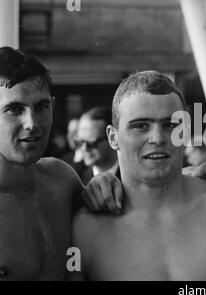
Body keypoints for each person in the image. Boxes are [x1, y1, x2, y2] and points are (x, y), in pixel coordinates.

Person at [69, 71, 206, 280]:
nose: (157, 138)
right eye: (141, 126)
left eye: (170, 125)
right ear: (113, 137)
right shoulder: (83, 230)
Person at [0, 47, 123, 280]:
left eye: (41, 107)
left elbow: (144, 201)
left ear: (53, 107)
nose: (31, 123)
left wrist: (198, 176)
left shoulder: (62, 180)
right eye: (14, 109)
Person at [76, 107, 120, 184]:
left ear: (112, 138)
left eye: (91, 143)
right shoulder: (76, 180)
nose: (84, 148)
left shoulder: (133, 177)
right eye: (80, 142)